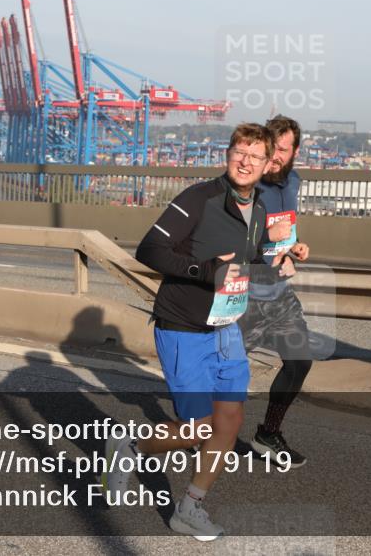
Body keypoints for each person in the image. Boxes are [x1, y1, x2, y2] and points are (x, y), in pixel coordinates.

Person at [104, 122, 281, 541]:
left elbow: (249, 260)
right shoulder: (198, 198)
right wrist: (204, 272)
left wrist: (281, 252)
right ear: (228, 154)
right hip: (183, 327)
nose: (245, 161)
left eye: (255, 156)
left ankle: (190, 508)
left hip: (227, 328)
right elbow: (149, 249)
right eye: (240, 151)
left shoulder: (259, 209)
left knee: (229, 420)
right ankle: (132, 448)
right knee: (201, 427)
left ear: (268, 164)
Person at [238, 115, 314, 468]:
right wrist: (268, 242)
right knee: (229, 374)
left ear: (295, 151)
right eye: (271, 149)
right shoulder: (247, 186)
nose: (275, 157)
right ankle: (197, 429)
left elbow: (286, 231)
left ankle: (267, 433)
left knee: (299, 362)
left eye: (283, 150)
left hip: (279, 291)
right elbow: (234, 244)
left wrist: (295, 247)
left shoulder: (294, 180)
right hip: (244, 294)